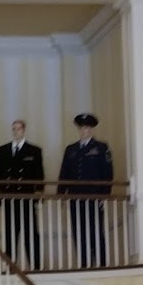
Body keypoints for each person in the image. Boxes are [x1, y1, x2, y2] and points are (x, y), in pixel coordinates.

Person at [57, 113, 114, 268]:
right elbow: (64, 172)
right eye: (82, 128)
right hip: (75, 197)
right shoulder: (71, 149)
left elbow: (107, 173)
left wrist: (104, 195)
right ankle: (84, 263)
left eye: (87, 128)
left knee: (95, 230)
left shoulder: (101, 147)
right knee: (78, 231)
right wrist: (61, 194)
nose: (84, 131)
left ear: (92, 129)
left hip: (94, 196)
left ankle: (101, 263)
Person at [0, 119, 44, 270]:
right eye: (14, 129)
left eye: (18, 129)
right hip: (9, 197)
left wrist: (39, 194)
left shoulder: (34, 150)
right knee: (10, 234)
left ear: (24, 130)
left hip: (27, 198)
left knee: (30, 234)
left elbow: (39, 174)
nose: (16, 132)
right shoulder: (3, 150)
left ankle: (35, 267)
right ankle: (10, 267)